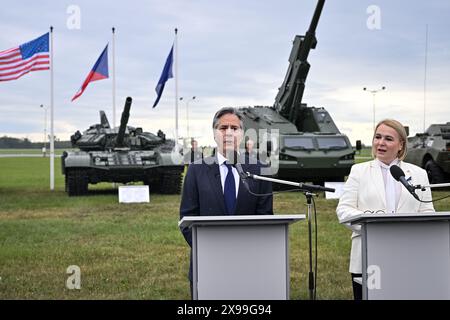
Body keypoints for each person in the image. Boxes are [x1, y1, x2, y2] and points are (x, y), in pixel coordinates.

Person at [179, 107, 273, 298]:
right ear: (214, 133)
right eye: (223, 128)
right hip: (207, 262)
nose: (229, 132)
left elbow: (265, 216)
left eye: (234, 127)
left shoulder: (260, 169)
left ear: (242, 133)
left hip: (249, 262)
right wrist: (208, 248)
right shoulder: (196, 170)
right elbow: (187, 218)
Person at [336, 119, 435, 300]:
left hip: (408, 255)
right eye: (377, 137)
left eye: (388, 139)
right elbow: (343, 210)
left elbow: (428, 212)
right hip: (368, 256)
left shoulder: (419, 174)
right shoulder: (359, 171)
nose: (381, 143)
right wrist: (374, 223)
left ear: (400, 145)